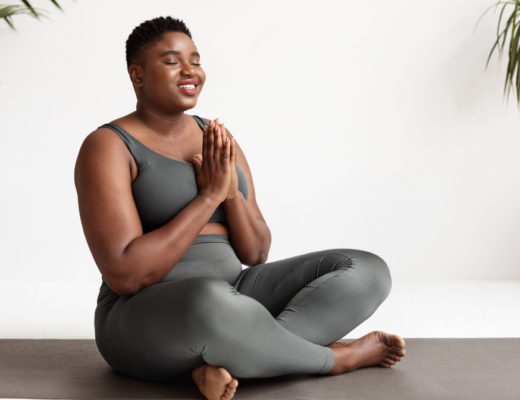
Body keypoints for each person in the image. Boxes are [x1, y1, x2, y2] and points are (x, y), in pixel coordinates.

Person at [74, 16, 406, 400]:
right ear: (138, 74)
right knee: (210, 301)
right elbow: (126, 275)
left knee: (367, 271)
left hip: (236, 297)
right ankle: (334, 359)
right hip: (144, 316)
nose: (190, 71)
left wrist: (231, 195)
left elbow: (257, 252)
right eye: (171, 61)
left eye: (195, 60)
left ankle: (223, 363)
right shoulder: (108, 146)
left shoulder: (216, 138)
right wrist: (209, 197)